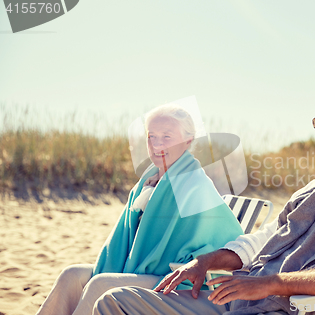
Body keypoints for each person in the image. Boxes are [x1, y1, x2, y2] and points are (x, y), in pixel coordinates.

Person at [92, 88, 315, 315]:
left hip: (285, 305)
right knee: (112, 299)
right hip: (242, 297)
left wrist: (268, 285)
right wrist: (207, 261)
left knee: (114, 301)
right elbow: (266, 238)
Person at [36, 105, 243, 315]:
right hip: (136, 267)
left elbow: (218, 234)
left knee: (100, 284)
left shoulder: (193, 182)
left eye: (167, 136)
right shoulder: (150, 179)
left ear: (187, 140)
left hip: (171, 278)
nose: (157, 144)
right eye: (151, 136)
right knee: (70, 275)